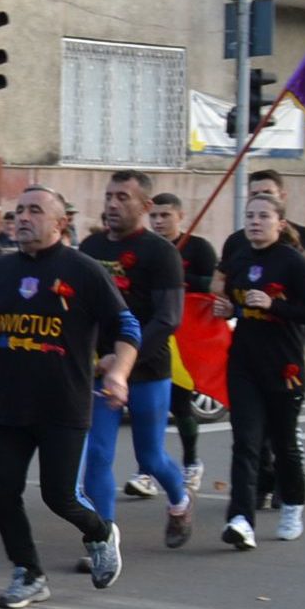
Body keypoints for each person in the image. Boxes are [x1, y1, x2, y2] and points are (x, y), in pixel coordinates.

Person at [0, 186, 138, 608]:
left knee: (59, 496)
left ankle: (100, 532)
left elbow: (128, 329)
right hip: (10, 404)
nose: (23, 218)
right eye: (18, 211)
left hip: (63, 404)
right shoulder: (1, 270)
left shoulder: (85, 271)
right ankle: (28, 572)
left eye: (35, 210)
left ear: (60, 223)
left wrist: (120, 374)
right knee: (3, 491)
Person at [76, 170, 195, 548]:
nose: (112, 203)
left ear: (145, 206)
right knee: (96, 454)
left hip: (148, 371)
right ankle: (102, 537)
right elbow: (79, 310)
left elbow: (168, 318)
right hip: (100, 370)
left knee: (151, 457)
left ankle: (179, 504)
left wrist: (124, 359)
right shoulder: (91, 249)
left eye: (123, 197)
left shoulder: (161, 253)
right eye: (109, 195)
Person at [213, 192, 305, 548]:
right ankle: (240, 520)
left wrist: (277, 306)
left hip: (284, 367)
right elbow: (237, 305)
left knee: (284, 445)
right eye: (250, 215)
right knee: (245, 443)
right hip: (244, 364)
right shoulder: (240, 258)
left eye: (263, 216)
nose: (255, 222)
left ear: (280, 222)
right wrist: (227, 309)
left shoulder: (292, 262)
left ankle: (292, 505)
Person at [148, 191, 215, 496]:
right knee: (147, 406)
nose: (159, 221)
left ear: (180, 216)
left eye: (165, 215)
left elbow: (213, 285)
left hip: (185, 335)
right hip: (152, 333)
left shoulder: (198, 248)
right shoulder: (148, 248)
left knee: (180, 404)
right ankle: (147, 469)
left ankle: (191, 462)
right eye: (154, 216)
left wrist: (179, 283)